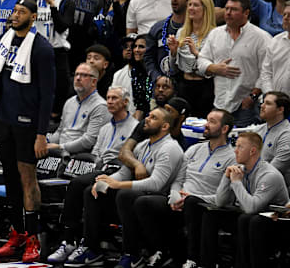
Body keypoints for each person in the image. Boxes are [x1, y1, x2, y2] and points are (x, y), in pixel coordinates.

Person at [65, 107, 184, 267]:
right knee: (93, 191)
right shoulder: (143, 146)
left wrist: (118, 184)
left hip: (161, 200)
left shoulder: (170, 148)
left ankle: (132, 254)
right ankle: (91, 249)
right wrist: (106, 181)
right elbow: (124, 173)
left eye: (153, 118)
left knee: (125, 195)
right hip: (138, 197)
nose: (147, 119)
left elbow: (156, 184)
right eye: (148, 115)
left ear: (165, 127)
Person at [0, 0, 55, 263]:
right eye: (14, 11)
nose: (15, 15)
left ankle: (33, 237)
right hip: (5, 121)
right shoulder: (5, 41)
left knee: (27, 179)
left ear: (33, 17)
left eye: (21, 11)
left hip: (27, 123)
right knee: (10, 179)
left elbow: (48, 95)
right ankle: (18, 232)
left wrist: (41, 133)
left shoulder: (42, 49)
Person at [46, 86, 139, 265]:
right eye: (109, 98)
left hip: (120, 171)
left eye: (114, 98)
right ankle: (70, 240)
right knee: (81, 186)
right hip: (101, 168)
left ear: (126, 102)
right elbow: (96, 153)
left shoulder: (135, 128)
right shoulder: (105, 128)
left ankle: (79, 242)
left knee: (79, 185)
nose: (109, 101)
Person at [134, 108, 236, 267]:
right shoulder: (194, 149)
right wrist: (175, 194)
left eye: (212, 122)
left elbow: (226, 196)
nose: (206, 125)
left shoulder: (233, 158)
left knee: (192, 204)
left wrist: (189, 198)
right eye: (207, 120)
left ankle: (193, 260)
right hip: (182, 199)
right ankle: (160, 251)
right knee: (143, 202)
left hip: (205, 204)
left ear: (225, 129)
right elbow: (179, 178)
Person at [201, 132, 289, 268]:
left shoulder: (269, 175)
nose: (235, 151)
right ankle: (207, 264)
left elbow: (251, 208)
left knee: (249, 219)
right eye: (235, 146)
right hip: (250, 218)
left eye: (240, 147)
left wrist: (236, 183)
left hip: (277, 223)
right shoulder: (240, 170)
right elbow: (220, 202)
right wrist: (226, 178)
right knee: (211, 213)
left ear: (252, 151)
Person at [197, 0, 272, 126]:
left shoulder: (261, 38)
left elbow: (266, 71)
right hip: (219, 104)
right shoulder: (215, 34)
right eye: (227, 9)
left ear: (246, 13)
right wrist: (214, 68)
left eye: (234, 9)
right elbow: (201, 61)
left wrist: (252, 96)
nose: (228, 13)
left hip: (246, 107)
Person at [26, 0, 73, 116]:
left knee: (59, 87)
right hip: (35, 51)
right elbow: (17, 23)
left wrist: (52, 5)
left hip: (58, 52)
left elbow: (62, 27)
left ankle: (56, 115)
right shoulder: (32, 3)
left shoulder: (65, 3)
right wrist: (27, 0)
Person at [168, 0, 216, 117]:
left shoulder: (215, 34)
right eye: (189, 5)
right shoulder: (181, 33)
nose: (191, 8)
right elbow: (173, 69)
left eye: (196, 5)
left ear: (206, 9)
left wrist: (196, 53)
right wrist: (173, 53)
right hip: (184, 86)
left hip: (206, 87)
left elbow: (214, 68)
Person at [48, 63, 110, 153]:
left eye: (84, 75)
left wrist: (60, 147)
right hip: (59, 152)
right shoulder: (70, 102)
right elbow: (60, 132)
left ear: (94, 82)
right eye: (76, 74)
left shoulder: (100, 106)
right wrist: (46, 142)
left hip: (80, 157)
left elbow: (89, 141)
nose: (78, 78)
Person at [142, 0, 189, 84]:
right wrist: (156, 77)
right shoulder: (158, 28)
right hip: (160, 85)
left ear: (188, 0)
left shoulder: (194, 28)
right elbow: (148, 57)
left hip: (184, 83)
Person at [256, 91, 290, 186]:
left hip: (276, 190)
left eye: (268, 103)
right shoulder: (258, 130)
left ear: (280, 110)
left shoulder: (287, 135)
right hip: (255, 183)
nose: (262, 106)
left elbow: (273, 170)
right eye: (263, 102)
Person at [112, 34, 150, 116]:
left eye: (131, 46)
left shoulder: (149, 71)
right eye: (125, 46)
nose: (129, 49)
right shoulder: (118, 75)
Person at [259, 5, 290, 93]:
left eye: (289, 15)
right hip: (276, 100)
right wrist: (270, 95)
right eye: (284, 15)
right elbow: (266, 73)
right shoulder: (275, 41)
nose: (286, 18)